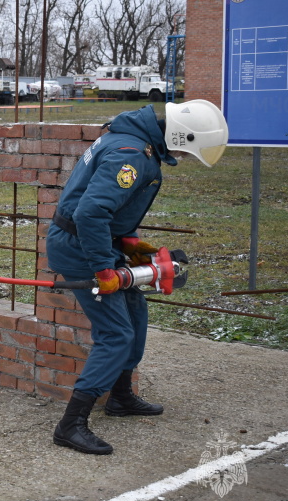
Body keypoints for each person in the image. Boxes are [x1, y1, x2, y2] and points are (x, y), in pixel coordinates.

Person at [45, 100, 228, 455]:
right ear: (181, 136)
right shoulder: (131, 154)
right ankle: (71, 424)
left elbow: (105, 207)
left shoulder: (133, 140)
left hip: (98, 242)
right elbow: (91, 212)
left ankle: (121, 396)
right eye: (189, 151)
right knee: (116, 333)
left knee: (135, 315)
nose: (187, 157)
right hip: (81, 246)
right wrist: (103, 270)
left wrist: (129, 245)